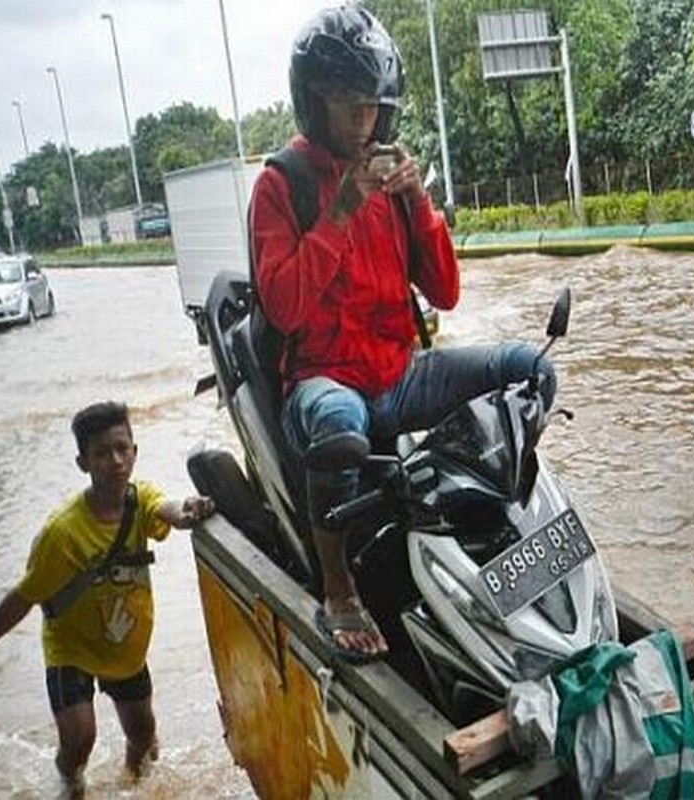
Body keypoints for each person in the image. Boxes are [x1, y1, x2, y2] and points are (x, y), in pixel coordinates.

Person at [251, 5, 555, 662]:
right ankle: (340, 590)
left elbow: (444, 291)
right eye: (347, 105)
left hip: (403, 370)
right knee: (334, 420)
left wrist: (416, 200)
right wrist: (342, 210)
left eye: (373, 107)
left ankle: (499, 525)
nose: (364, 121)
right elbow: (284, 309)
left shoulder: (393, 180)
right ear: (314, 103)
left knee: (532, 369)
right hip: (327, 379)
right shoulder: (282, 185)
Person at [0, 401, 215, 796]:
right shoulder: (63, 532)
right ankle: (69, 784)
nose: (116, 460)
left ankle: (130, 788)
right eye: (102, 453)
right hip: (70, 646)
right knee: (78, 739)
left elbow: (167, 509)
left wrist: (189, 508)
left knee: (144, 740)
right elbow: (24, 596)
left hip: (124, 649)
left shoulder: (140, 502)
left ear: (135, 452)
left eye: (123, 448)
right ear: (82, 462)